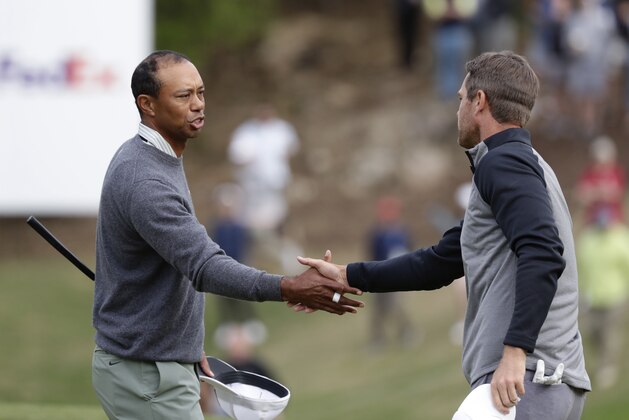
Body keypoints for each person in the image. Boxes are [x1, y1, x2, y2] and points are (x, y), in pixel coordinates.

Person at [298, 51, 591, 418]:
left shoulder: (504, 162)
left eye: (460, 99)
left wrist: (516, 351)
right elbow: (439, 263)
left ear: (479, 102)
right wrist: (346, 275)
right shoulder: (524, 164)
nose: (458, 111)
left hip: (524, 382)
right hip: (544, 383)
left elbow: (544, 251)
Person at [91, 50, 363, 420]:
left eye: (200, 93)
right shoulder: (146, 179)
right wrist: (289, 286)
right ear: (148, 105)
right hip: (145, 375)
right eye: (183, 96)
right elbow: (205, 266)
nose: (199, 105)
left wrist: (184, 345)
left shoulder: (158, 157)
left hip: (159, 362)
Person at [368, 196, 416, 350]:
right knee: (378, 310)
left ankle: (407, 331)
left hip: (397, 275)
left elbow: (410, 250)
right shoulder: (377, 234)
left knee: (396, 306)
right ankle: (378, 339)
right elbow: (373, 254)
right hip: (379, 275)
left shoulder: (402, 231)